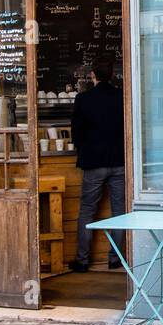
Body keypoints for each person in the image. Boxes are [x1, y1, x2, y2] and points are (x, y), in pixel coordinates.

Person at [69, 58, 125, 272]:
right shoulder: (122, 96)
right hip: (119, 161)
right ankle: (115, 259)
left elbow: (77, 132)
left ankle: (82, 261)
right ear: (111, 75)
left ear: (93, 75)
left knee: (87, 210)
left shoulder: (83, 99)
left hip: (93, 162)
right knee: (119, 211)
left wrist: (82, 147)